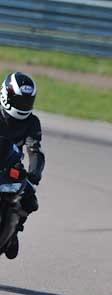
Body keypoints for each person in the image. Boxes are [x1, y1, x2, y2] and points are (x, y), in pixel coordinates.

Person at [0, 72, 44, 259]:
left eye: (27, 102)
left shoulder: (31, 122)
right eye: (19, 101)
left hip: (11, 164)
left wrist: (34, 176)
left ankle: (14, 231)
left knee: (30, 201)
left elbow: (34, 151)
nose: (23, 106)